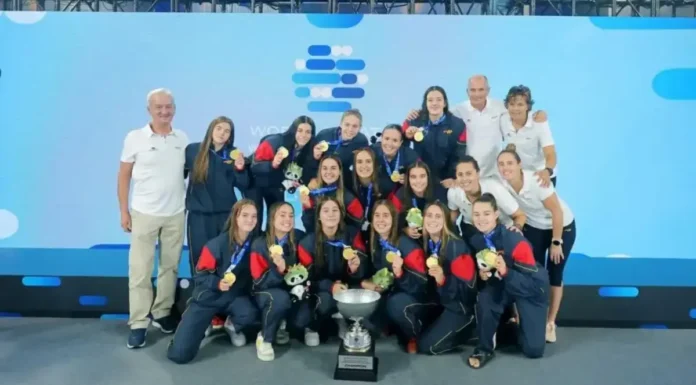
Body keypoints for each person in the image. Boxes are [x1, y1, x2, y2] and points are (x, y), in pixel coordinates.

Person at [117, 88, 189, 349]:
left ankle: (161, 313)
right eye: (159, 107)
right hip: (143, 214)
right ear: (149, 110)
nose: (164, 111)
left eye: (169, 106)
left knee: (170, 267)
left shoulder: (182, 138)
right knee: (140, 271)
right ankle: (138, 323)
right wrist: (124, 211)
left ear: (174, 109)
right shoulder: (135, 138)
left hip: (175, 214)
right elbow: (123, 175)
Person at [497, 146, 576, 343]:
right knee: (533, 273)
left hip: (561, 227)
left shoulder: (537, 181)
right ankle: (529, 318)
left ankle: (550, 322)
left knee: (555, 273)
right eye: (501, 164)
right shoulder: (502, 184)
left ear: (519, 165)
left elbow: (556, 211)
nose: (506, 168)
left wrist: (556, 242)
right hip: (535, 227)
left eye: (510, 163)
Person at [167, 199, 259, 364]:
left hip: (233, 296)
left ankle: (231, 325)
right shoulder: (215, 245)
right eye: (245, 215)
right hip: (208, 297)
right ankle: (205, 321)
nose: (250, 220)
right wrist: (217, 283)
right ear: (235, 217)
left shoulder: (255, 243)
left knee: (250, 312)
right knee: (179, 355)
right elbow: (200, 275)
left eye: (254, 216)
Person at [467, 194, 550, 369]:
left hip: (530, 288)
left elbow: (534, 285)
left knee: (534, 350)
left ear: (496, 214)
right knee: (485, 297)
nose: (481, 219)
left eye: (486, 213)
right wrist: (484, 275)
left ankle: (517, 327)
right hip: (503, 285)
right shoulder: (476, 240)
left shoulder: (515, 241)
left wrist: (506, 272)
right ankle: (484, 349)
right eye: (477, 214)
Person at [360, 200, 429, 352]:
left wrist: (401, 274)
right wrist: (366, 283)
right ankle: (392, 325)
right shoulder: (376, 242)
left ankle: (414, 335)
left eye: (386, 215)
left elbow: (422, 285)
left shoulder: (408, 246)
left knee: (396, 305)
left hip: (417, 297)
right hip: (391, 291)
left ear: (394, 219)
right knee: (366, 320)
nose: (380, 220)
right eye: (377, 215)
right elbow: (372, 271)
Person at [448, 75, 547, 179]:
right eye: (473, 90)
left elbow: (519, 110)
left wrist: (539, 113)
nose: (477, 94)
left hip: (494, 173)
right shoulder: (457, 110)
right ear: (467, 91)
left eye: (481, 89)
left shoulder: (499, 106)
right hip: (469, 173)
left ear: (488, 90)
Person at [297, 197, 368, 341]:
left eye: (335, 210)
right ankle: (312, 327)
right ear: (318, 216)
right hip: (321, 289)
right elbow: (308, 279)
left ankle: (344, 319)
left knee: (361, 298)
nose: (331, 214)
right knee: (324, 302)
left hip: (347, 286)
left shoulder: (352, 235)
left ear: (341, 215)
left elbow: (364, 268)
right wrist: (330, 287)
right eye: (326, 210)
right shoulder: (307, 243)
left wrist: (355, 269)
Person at [415, 201, 477, 355]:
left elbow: (468, 291)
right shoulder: (428, 243)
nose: (433, 220)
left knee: (427, 347)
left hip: (461, 308)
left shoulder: (456, 247)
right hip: (443, 302)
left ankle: (473, 331)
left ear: (445, 221)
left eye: (438, 216)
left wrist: (442, 280)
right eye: (429, 215)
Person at [250, 202, 307, 361]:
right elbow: (259, 280)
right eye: (282, 215)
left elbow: (304, 268)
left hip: (291, 289)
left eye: (291, 215)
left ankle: (280, 326)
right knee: (280, 298)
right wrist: (280, 269)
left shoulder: (299, 238)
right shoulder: (259, 244)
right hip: (265, 290)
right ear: (271, 219)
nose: (287, 219)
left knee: (303, 316)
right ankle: (265, 338)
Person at [250, 116, 316, 230]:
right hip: (254, 183)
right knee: (255, 217)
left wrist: (298, 182)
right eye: (300, 130)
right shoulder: (274, 141)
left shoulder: (309, 150)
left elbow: (302, 172)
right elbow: (254, 167)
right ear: (293, 130)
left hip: (275, 185)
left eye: (308, 132)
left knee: (277, 217)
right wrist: (272, 164)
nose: (303, 135)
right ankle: (254, 246)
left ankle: (272, 245)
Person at [447, 156, 526, 243]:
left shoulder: (495, 189)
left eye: (469, 173)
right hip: (473, 229)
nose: (464, 178)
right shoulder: (453, 193)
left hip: (501, 229)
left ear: (478, 174)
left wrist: (516, 230)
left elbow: (520, 215)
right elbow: (453, 213)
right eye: (460, 174)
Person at [401, 86, 467, 188]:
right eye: (430, 100)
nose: (434, 103)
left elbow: (460, 156)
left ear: (444, 103)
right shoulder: (413, 120)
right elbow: (400, 147)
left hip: (446, 182)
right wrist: (406, 136)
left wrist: (454, 178)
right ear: (425, 103)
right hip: (419, 180)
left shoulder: (458, 125)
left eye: (439, 100)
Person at [500, 85, 557, 187]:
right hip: (519, 176)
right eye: (512, 104)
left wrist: (547, 171)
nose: (515, 108)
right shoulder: (503, 119)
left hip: (541, 175)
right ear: (507, 105)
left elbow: (550, 153)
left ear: (528, 106)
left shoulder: (539, 122)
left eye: (520, 104)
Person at [300, 155, 364, 233]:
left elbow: (359, 228)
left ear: (340, 171)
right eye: (325, 168)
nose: (329, 172)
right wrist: (308, 208)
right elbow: (309, 228)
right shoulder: (312, 194)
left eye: (333, 168)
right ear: (320, 171)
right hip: (318, 240)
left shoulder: (349, 199)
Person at [309, 109, 369, 190]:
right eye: (347, 124)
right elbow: (309, 160)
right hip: (323, 179)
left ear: (360, 127)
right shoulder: (323, 135)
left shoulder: (362, 141)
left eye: (355, 126)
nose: (350, 129)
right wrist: (313, 176)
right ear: (340, 124)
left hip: (345, 183)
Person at [388, 161, 447, 241]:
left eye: (422, 176)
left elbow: (448, 220)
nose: (418, 181)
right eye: (413, 177)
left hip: (438, 234)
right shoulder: (400, 195)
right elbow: (392, 222)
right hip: (415, 238)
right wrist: (405, 230)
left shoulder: (439, 191)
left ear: (428, 177)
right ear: (408, 179)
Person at [369, 124, 419, 196]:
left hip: (401, 198)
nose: (389, 144)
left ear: (400, 142)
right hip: (376, 197)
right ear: (381, 138)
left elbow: (421, 176)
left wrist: (410, 179)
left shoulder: (410, 156)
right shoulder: (371, 152)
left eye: (395, 140)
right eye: (386, 139)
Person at [350, 147, 384, 245]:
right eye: (359, 162)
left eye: (368, 161)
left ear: (374, 164)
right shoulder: (348, 184)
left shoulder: (384, 186)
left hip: (378, 233)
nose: (364, 165)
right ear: (354, 165)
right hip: (355, 234)